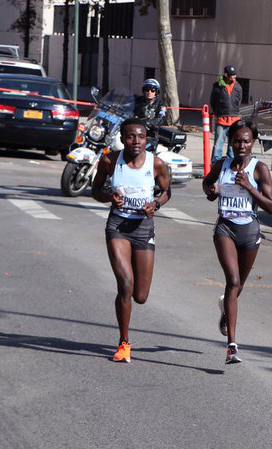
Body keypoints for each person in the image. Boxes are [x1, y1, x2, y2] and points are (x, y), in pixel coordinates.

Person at [92, 117, 171, 363]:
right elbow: (95, 191)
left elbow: (167, 191)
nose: (136, 141)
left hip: (143, 229)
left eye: (141, 137)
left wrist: (156, 204)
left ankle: (125, 335)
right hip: (118, 227)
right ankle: (124, 343)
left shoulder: (156, 164)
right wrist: (109, 198)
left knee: (141, 296)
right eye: (130, 136)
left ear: (146, 140)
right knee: (125, 284)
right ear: (122, 138)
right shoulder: (110, 161)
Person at [202, 120, 272, 364]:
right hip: (225, 228)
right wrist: (210, 191)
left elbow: (271, 206)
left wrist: (249, 187)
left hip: (250, 232)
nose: (241, 145)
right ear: (230, 142)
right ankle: (232, 346)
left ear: (253, 143)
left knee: (238, 286)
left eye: (246, 141)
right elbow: (207, 183)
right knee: (232, 281)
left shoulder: (259, 169)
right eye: (236, 141)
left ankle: (226, 310)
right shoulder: (222, 165)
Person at [209, 66, 243, 164]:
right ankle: (215, 163)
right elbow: (213, 102)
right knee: (218, 143)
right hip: (222, 119)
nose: (234, 78)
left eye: (235, 76)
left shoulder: (238, 87)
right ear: (226, 75)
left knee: (233, 144)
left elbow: (239, 101)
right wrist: (218, 113)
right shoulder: (217, 86)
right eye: (232, 76)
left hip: (234, 119)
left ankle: (232, 162)